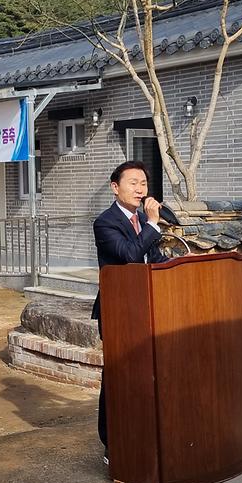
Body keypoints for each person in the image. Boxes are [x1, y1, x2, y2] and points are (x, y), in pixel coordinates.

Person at [92, 160, 169, 463]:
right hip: (118, 312)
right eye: (133, 183)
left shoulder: (143, 221)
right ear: (115, 187)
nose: (140, 189)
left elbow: (153, 259)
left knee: (147, 374)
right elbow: (130, 255)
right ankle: (113, 442)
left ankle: (144, 435)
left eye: (144, 184)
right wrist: (152, 224)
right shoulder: (106, 222)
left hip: (147, 308)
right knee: (118, 375)